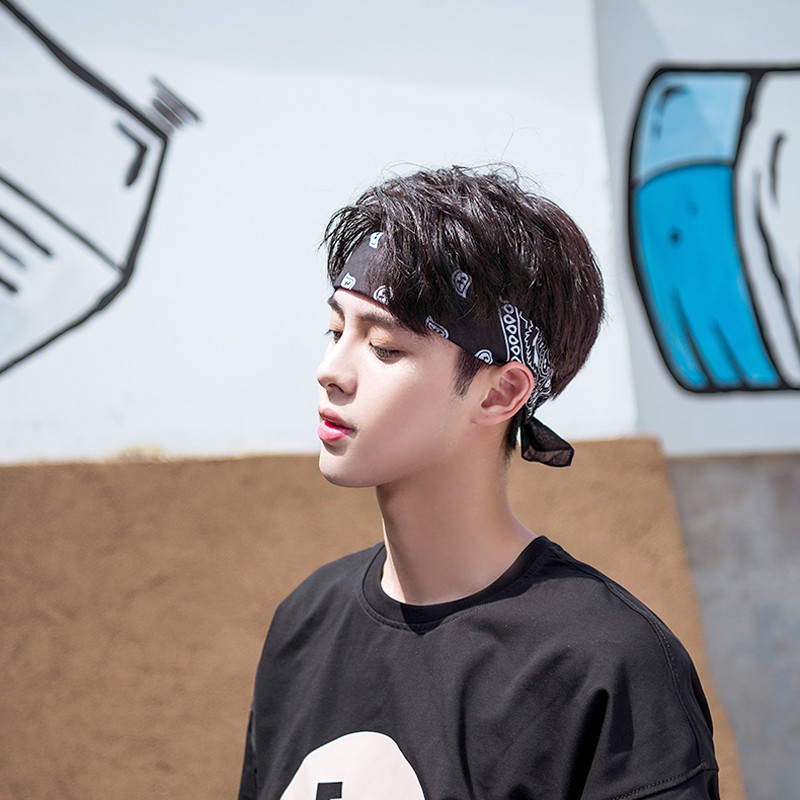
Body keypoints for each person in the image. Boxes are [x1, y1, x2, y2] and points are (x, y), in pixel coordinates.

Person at [238, 165, 719, 800]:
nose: (331, 370)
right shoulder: (305, 621)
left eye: (384, 348)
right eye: (335, 331)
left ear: (500, 393)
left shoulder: (607, 666)